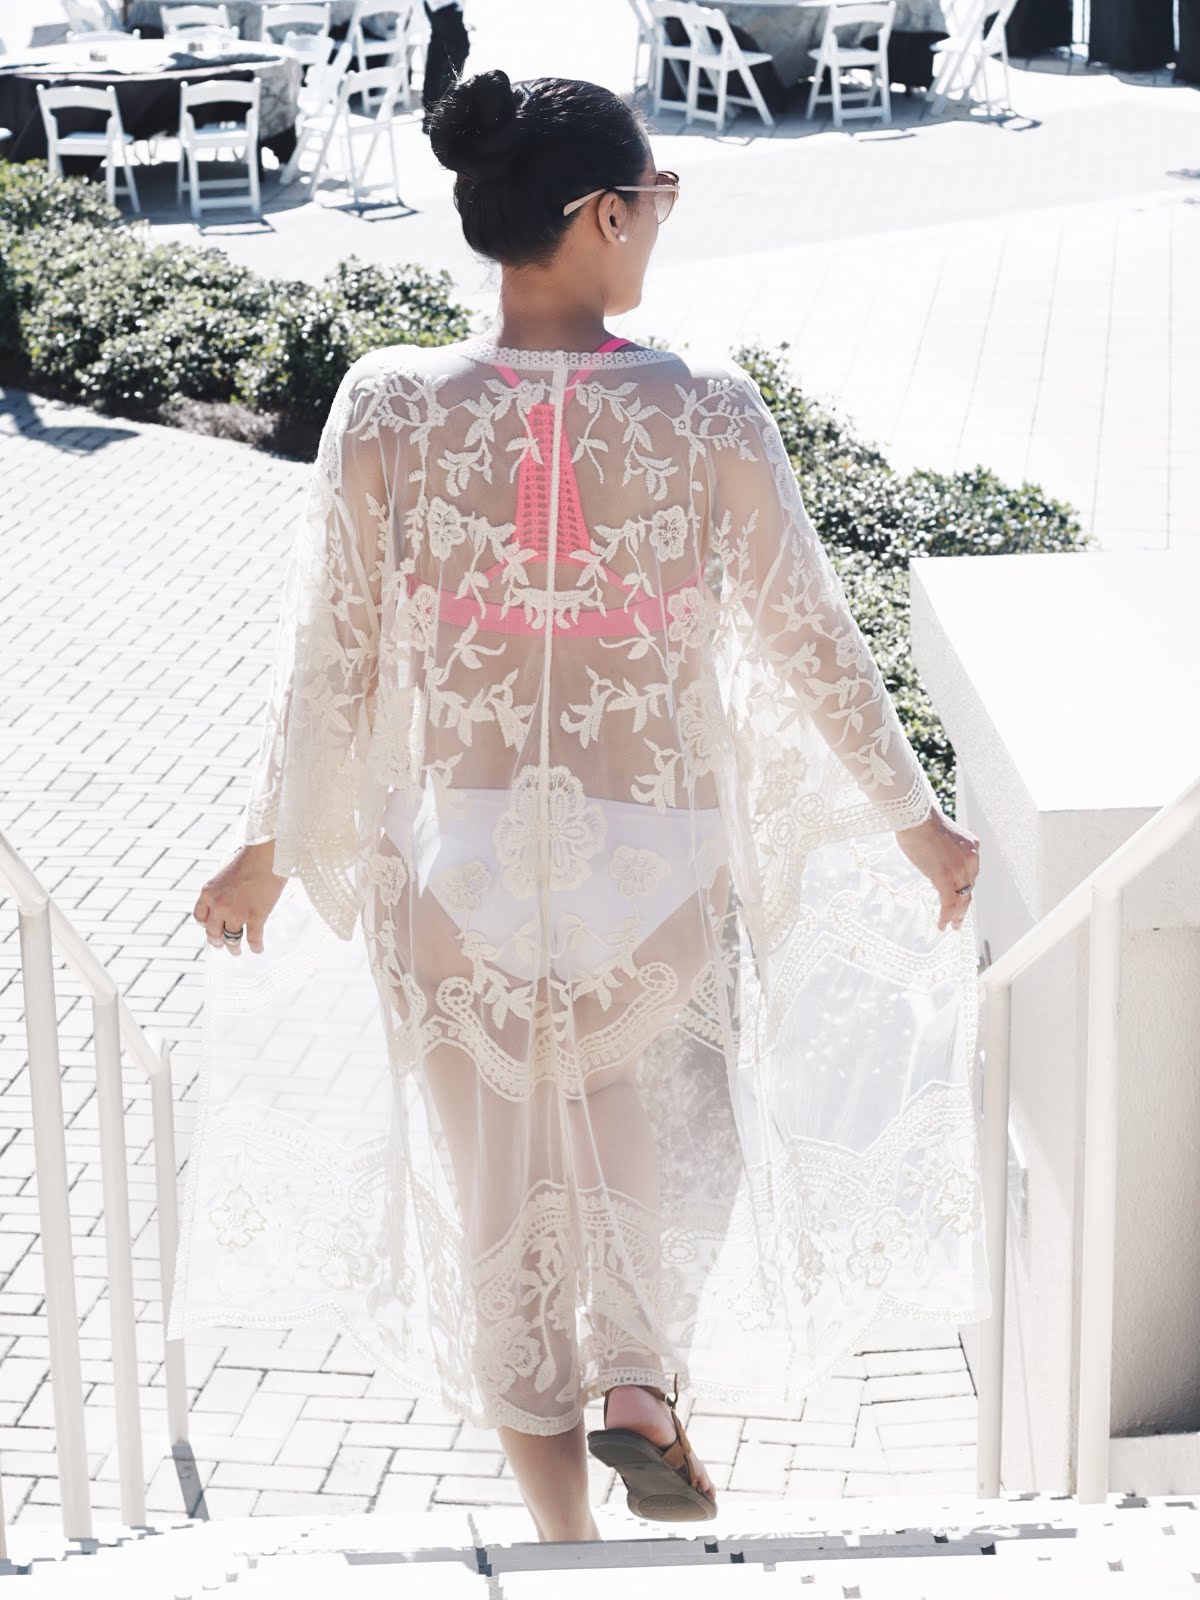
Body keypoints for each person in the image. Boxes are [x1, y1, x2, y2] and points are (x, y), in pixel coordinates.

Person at [183, 71, 989, 1542]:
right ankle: (637, 1376)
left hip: (457, 883)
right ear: (604, 215)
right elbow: (812, 637)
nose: (664, 220)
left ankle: (569, 1551)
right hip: (652, 878)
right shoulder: (704, 410)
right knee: (654, 1153)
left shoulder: (388, 406)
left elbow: (331, 664)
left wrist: (263, 857)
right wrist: (917, 823)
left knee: (502, 1219)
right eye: (658, 197)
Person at [422, 0, 470, 133]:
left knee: (441, 50)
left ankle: (434, 114)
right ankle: (442, 113)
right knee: (457, 49)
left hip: (446, 4)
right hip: (442, 4)